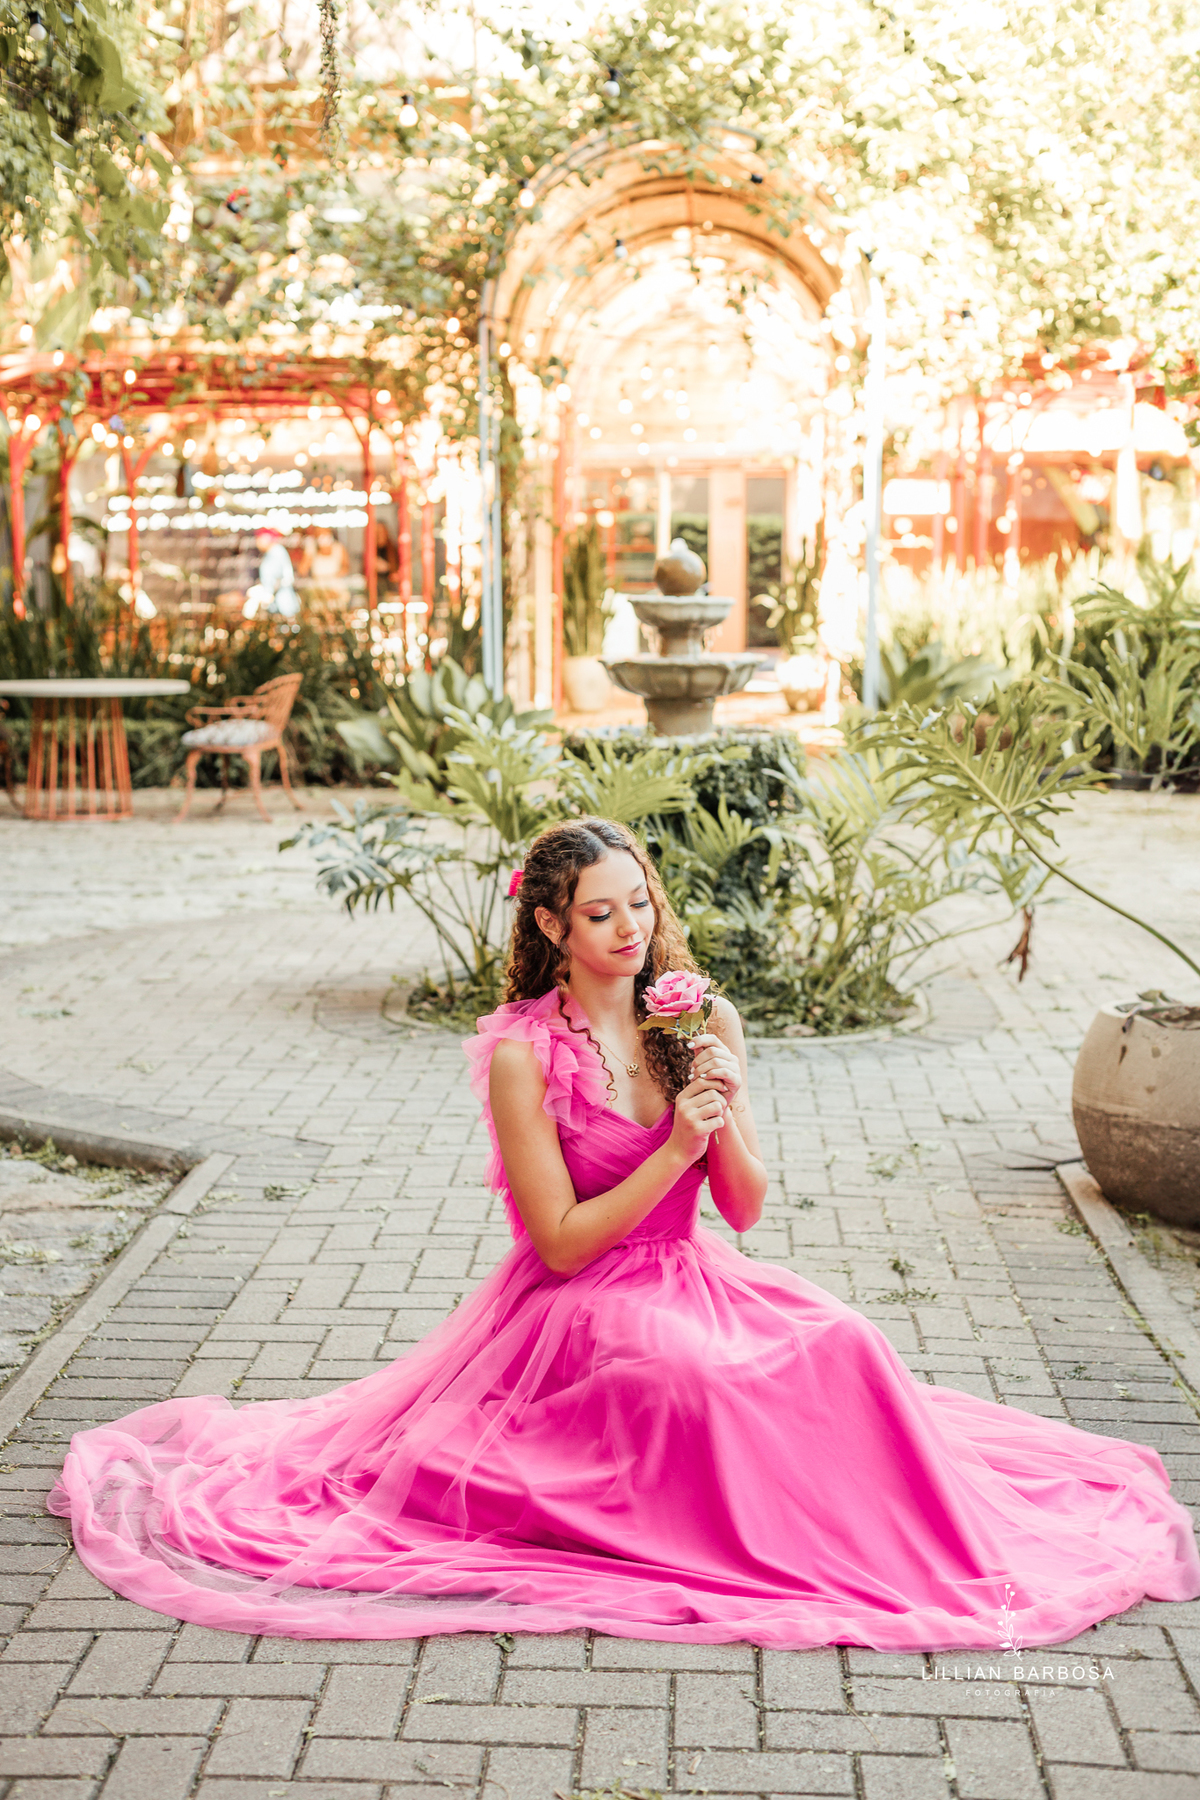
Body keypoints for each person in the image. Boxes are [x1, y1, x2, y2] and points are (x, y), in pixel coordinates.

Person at [47, 818, 1200, 1649]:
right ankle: (753, 1540)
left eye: (640, 902)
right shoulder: (520, 1053)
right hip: (582, 1297)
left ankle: (873, 1537)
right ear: (550, 923)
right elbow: (557, 1243)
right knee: (695, 1381)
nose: (631, 929)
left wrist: (720, 1100)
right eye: (600, 913)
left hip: (698, 1269)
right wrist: (670, 1151)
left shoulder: (698, 1013)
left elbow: (744, 1210)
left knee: (843, 1341)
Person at [243, 527, 299, 620]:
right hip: (276, 604)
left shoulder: (277, 551)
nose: (257, 542)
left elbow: (282, 578)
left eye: (259, 538)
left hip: (283, 605)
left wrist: (267, 592)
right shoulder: (270, 553)